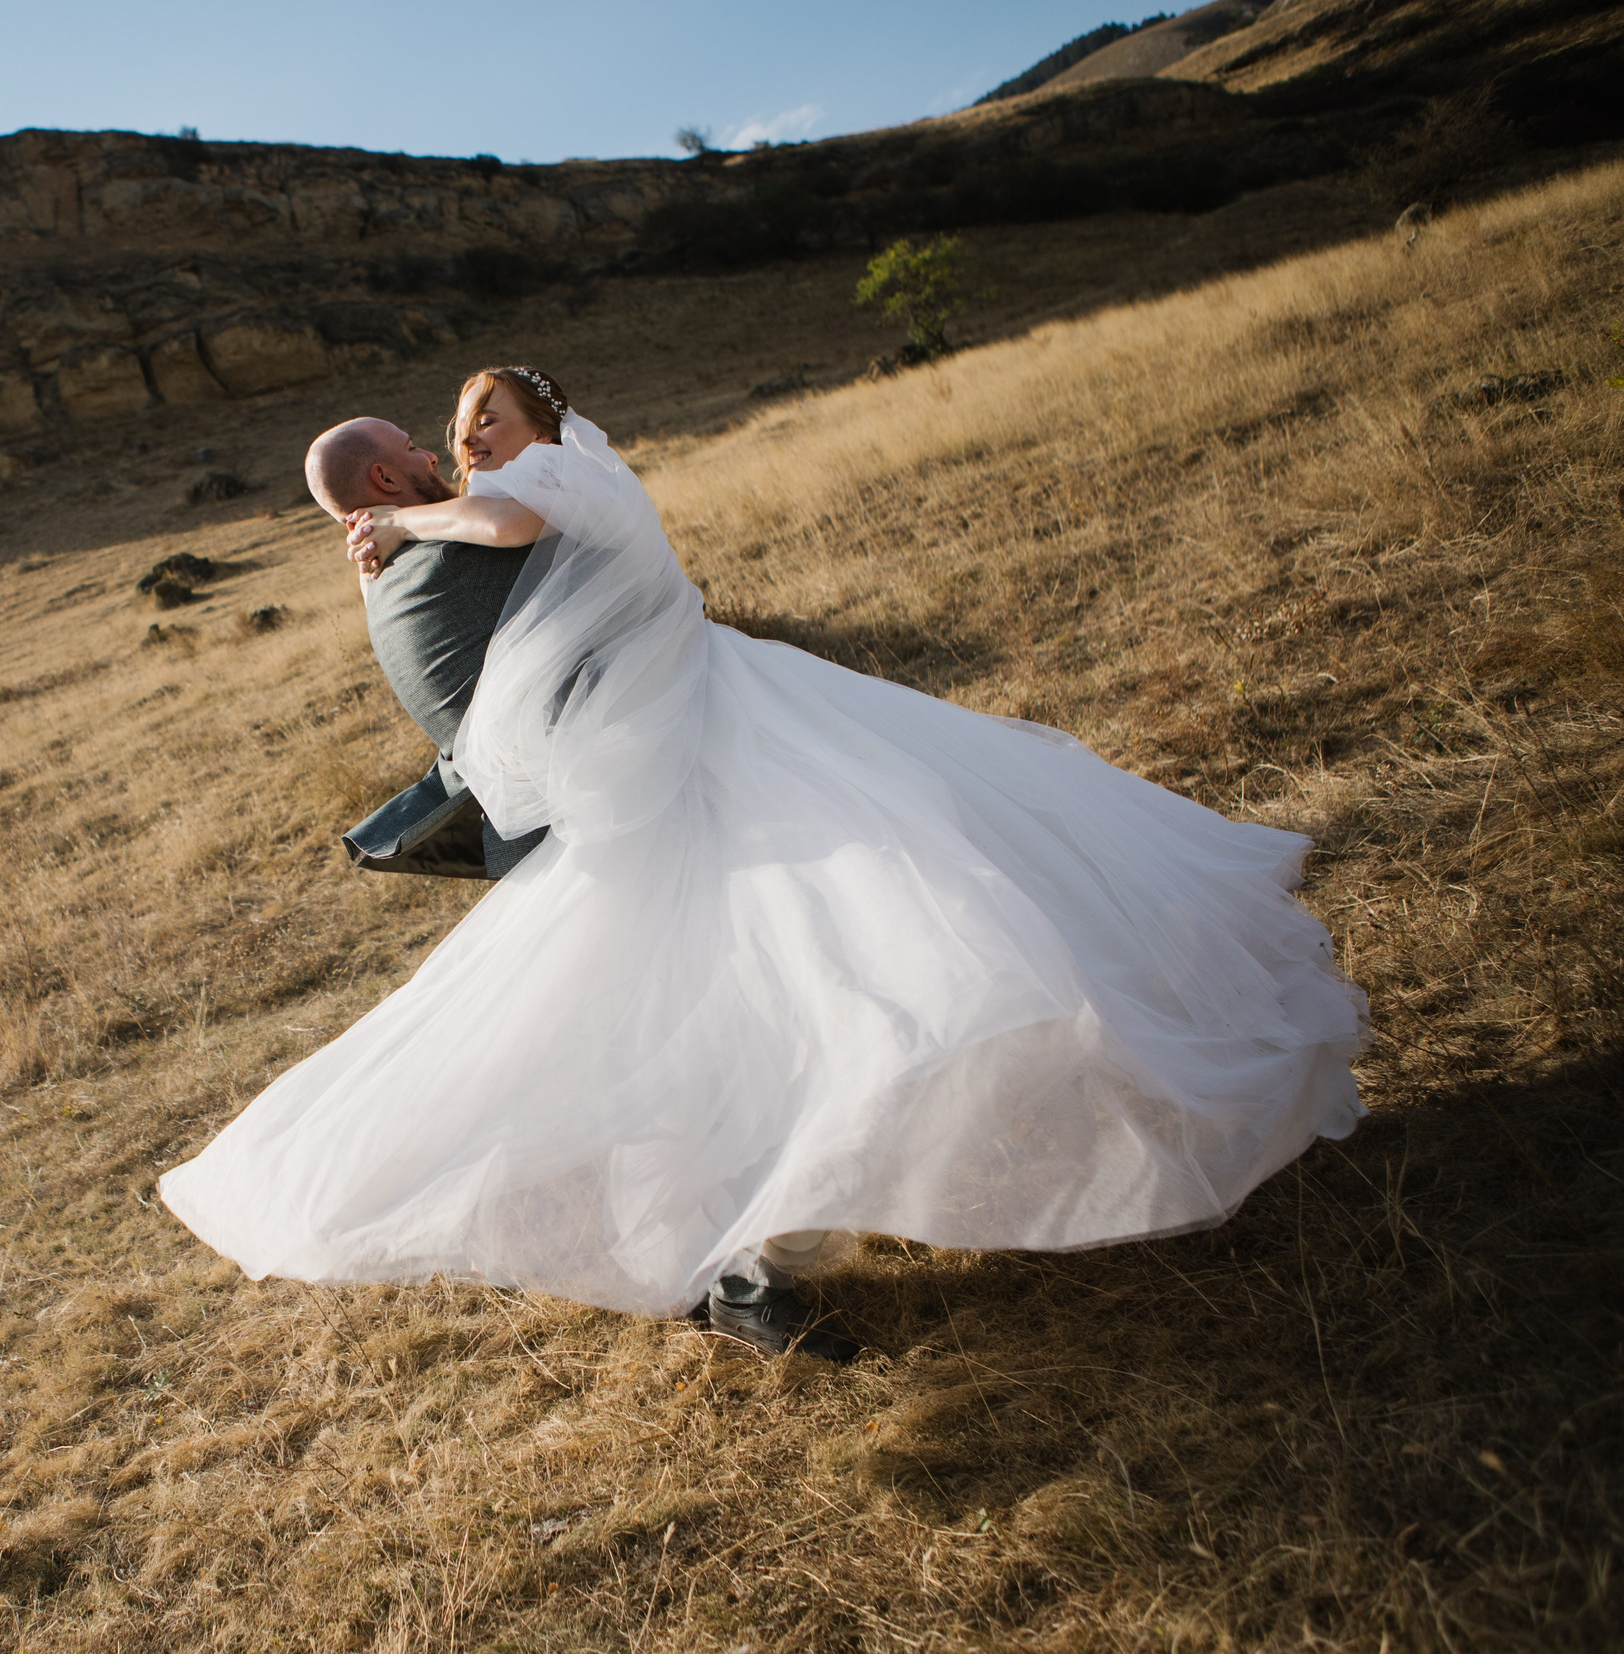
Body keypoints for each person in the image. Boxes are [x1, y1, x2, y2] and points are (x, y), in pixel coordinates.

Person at [159, 366, 1368, 1357]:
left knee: (784, 969)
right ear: (384, 478)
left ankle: (763, 1236)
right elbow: (503, 563)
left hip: (688, 746)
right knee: (830, 947)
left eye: (483, 421)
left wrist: (396, 523)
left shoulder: (480, 510)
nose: (454, 446)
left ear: (538, 426)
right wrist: (414, 520)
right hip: (680, 758)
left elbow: (516, 556)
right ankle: (765, 1239)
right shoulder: (459, 520)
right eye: (432, 443)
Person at [301, 415, 546, 879]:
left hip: (514, 818)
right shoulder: (450, 558)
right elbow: (578, 536)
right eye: (413, 447)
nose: (433, 456)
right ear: (385, 477)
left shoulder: (381, 584)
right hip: (576, 797)